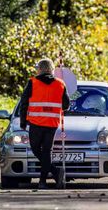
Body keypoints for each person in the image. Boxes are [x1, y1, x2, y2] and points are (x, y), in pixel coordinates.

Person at [19, 58, 70, 189]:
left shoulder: (32, 82)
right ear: (51, 69)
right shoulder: (60, 84)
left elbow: (24, 103)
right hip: (52, 123)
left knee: (36, 150)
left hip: (36, 123)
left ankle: (51, 175)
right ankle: (48, 177)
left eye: (37, 68)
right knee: (46, 152)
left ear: (41, 69)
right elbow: (66, 105)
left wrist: (23, 121)